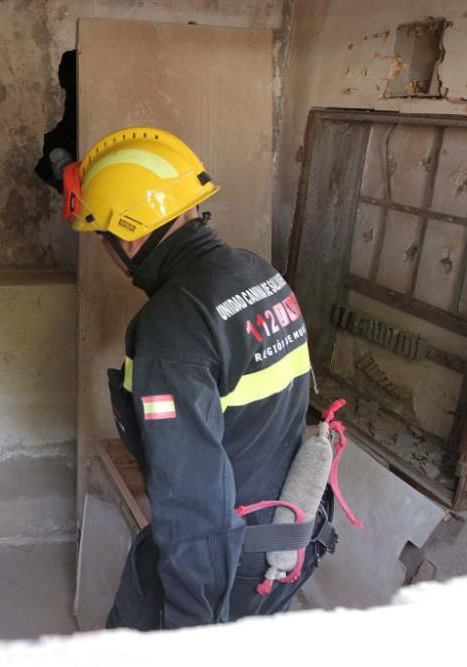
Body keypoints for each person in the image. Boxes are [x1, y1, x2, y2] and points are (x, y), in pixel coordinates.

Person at [57, 127, 337, 630]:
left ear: (131, 231)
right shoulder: (257, 273)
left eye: (103, 236)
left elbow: (192, 497)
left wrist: (191, 624)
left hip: (227, 563)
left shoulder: (170, 326)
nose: (104, 250)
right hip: (289, 536)